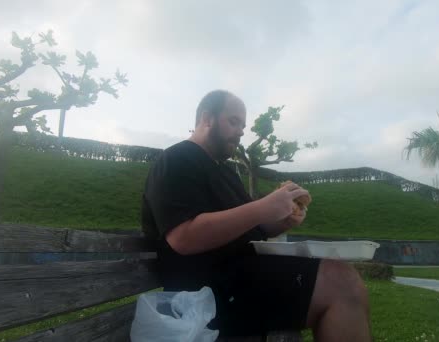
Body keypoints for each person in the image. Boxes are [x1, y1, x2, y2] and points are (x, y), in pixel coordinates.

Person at [141, 90, 371, 341]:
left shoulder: (227, 173)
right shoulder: (176, 160)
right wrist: (263, 207)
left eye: (243, 125)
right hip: (204, 297)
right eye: (233, 121)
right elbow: (182, 238)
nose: (241, 131)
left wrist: (282, 221)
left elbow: (252, 228)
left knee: (344, 278)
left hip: (240, 282)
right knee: (342, 283)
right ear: (207, 118)